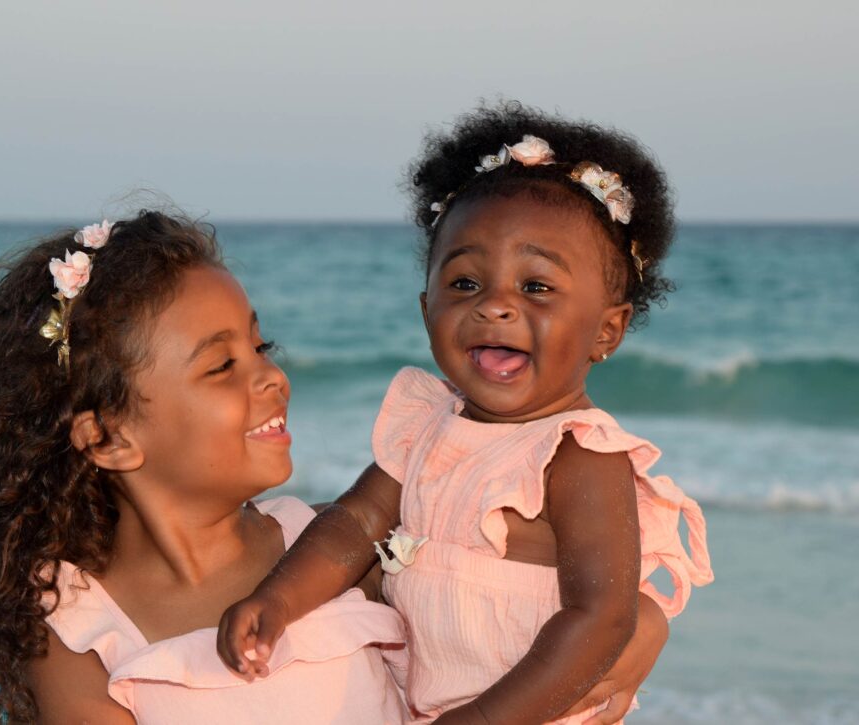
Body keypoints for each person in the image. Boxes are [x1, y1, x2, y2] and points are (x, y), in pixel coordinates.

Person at [218, 103, 714, 724]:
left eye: (536, 287)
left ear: (605, 331)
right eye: (465, 284)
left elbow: (601, 617)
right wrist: (277, 600)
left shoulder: (578, 453)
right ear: (426, 308)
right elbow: (354, 523)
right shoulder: (428, 424)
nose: (495, 306)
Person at [0, 211, 409, 723]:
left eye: (260, 348)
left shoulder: (331, 547)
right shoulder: (80, 631)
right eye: (222, 366)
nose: (273, 377)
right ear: (109, 438)